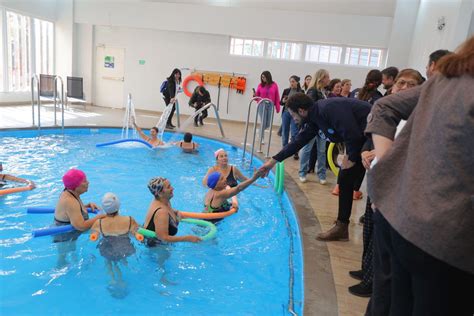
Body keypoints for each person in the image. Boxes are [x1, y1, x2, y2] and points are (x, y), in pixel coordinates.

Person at [365, 37, 474, 315]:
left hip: (401, 215)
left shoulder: (447, 80)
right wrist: (386, 162)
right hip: (443, 237)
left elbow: (384, 107)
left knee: (394, 302)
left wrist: (387, 168)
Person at [348, 68, 424, 298]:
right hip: (378, 177)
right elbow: (370, 137)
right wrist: (366, 152)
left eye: (411, 85)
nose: (404, 88)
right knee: (370, 229)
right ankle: (366, 270)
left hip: (397, 186)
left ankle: (373, 281)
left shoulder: (418, 117)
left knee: (383, 239)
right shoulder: (389, 111)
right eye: (401, 83)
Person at [259, 93, 371, 241]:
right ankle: (342, 226)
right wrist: (273, 161)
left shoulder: (328, 108)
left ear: (301, 110)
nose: (293, 119)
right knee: (344, 178)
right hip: (362, 137)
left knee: (346, 177)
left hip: (375, 133)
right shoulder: (314, 117)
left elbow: (352, 134)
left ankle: (349, 225)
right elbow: (298, 141)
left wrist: (350, 157)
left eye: (293, 114)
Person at [90, 193, 141, 297]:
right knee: (121, 258)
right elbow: (135, 230)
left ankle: (112, 280)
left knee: (108, 261)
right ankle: (123, 267)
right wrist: (137, 235)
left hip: (107, 247)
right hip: (125, 247)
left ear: (104, 208)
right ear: (118, 206)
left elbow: (94, 233)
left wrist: (94, 235)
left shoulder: (99, 222)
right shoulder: (129, 220)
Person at [53, 169, 106, 267]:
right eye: (85, 181)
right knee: (62, 259)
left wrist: (85, 206)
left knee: (72, 249)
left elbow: (71, 211)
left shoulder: (70, 192)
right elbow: (81, 226)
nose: (88, 182)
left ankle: (75, 263)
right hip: (63, 234)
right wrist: (99, 217)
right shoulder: (70, 201)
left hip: (69, 231)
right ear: (76, 186)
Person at [143, 177, 201, 246]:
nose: (172, 188)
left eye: (170, 185)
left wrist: (177, 212)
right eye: (168, 187)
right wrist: (187, 238)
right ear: (160, 193)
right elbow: (163, 238)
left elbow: (170, 211)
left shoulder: (165, 200)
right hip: (157, 246)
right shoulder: (161, 212)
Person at [300, 69, 330, 184]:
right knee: (307, 149)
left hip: (322, 127)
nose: (329, 79)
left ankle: (321, 175)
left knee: (322, 151)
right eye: (327, 77)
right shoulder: (312, 91)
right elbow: (310, 109)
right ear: (321, 78)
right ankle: (302, 172)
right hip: (312, 126)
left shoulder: (323, 91)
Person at [254, 71, 280, 143]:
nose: (263, 79)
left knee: (268, 124)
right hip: (262, 104)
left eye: (264, 77)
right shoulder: (260, 85)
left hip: (270, 105)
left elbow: (277, 96)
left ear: (268, 77)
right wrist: (254, 95)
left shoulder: (274, 85)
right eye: (262, 77)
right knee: (263, 121)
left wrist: (277, 107)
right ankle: (261, 137)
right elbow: (257, 96)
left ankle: (259, 131)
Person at [280, 75, 301, 158]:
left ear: (297, 82)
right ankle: (285, 149)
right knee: (285, 131)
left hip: (295, 114)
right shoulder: (286, 91)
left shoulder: (300, 92)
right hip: (286, 113)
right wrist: (283, 101)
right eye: (290, 81)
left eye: (293, 81)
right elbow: (281, 103)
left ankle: (295, 150)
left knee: (294, 133)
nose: (291, 83)